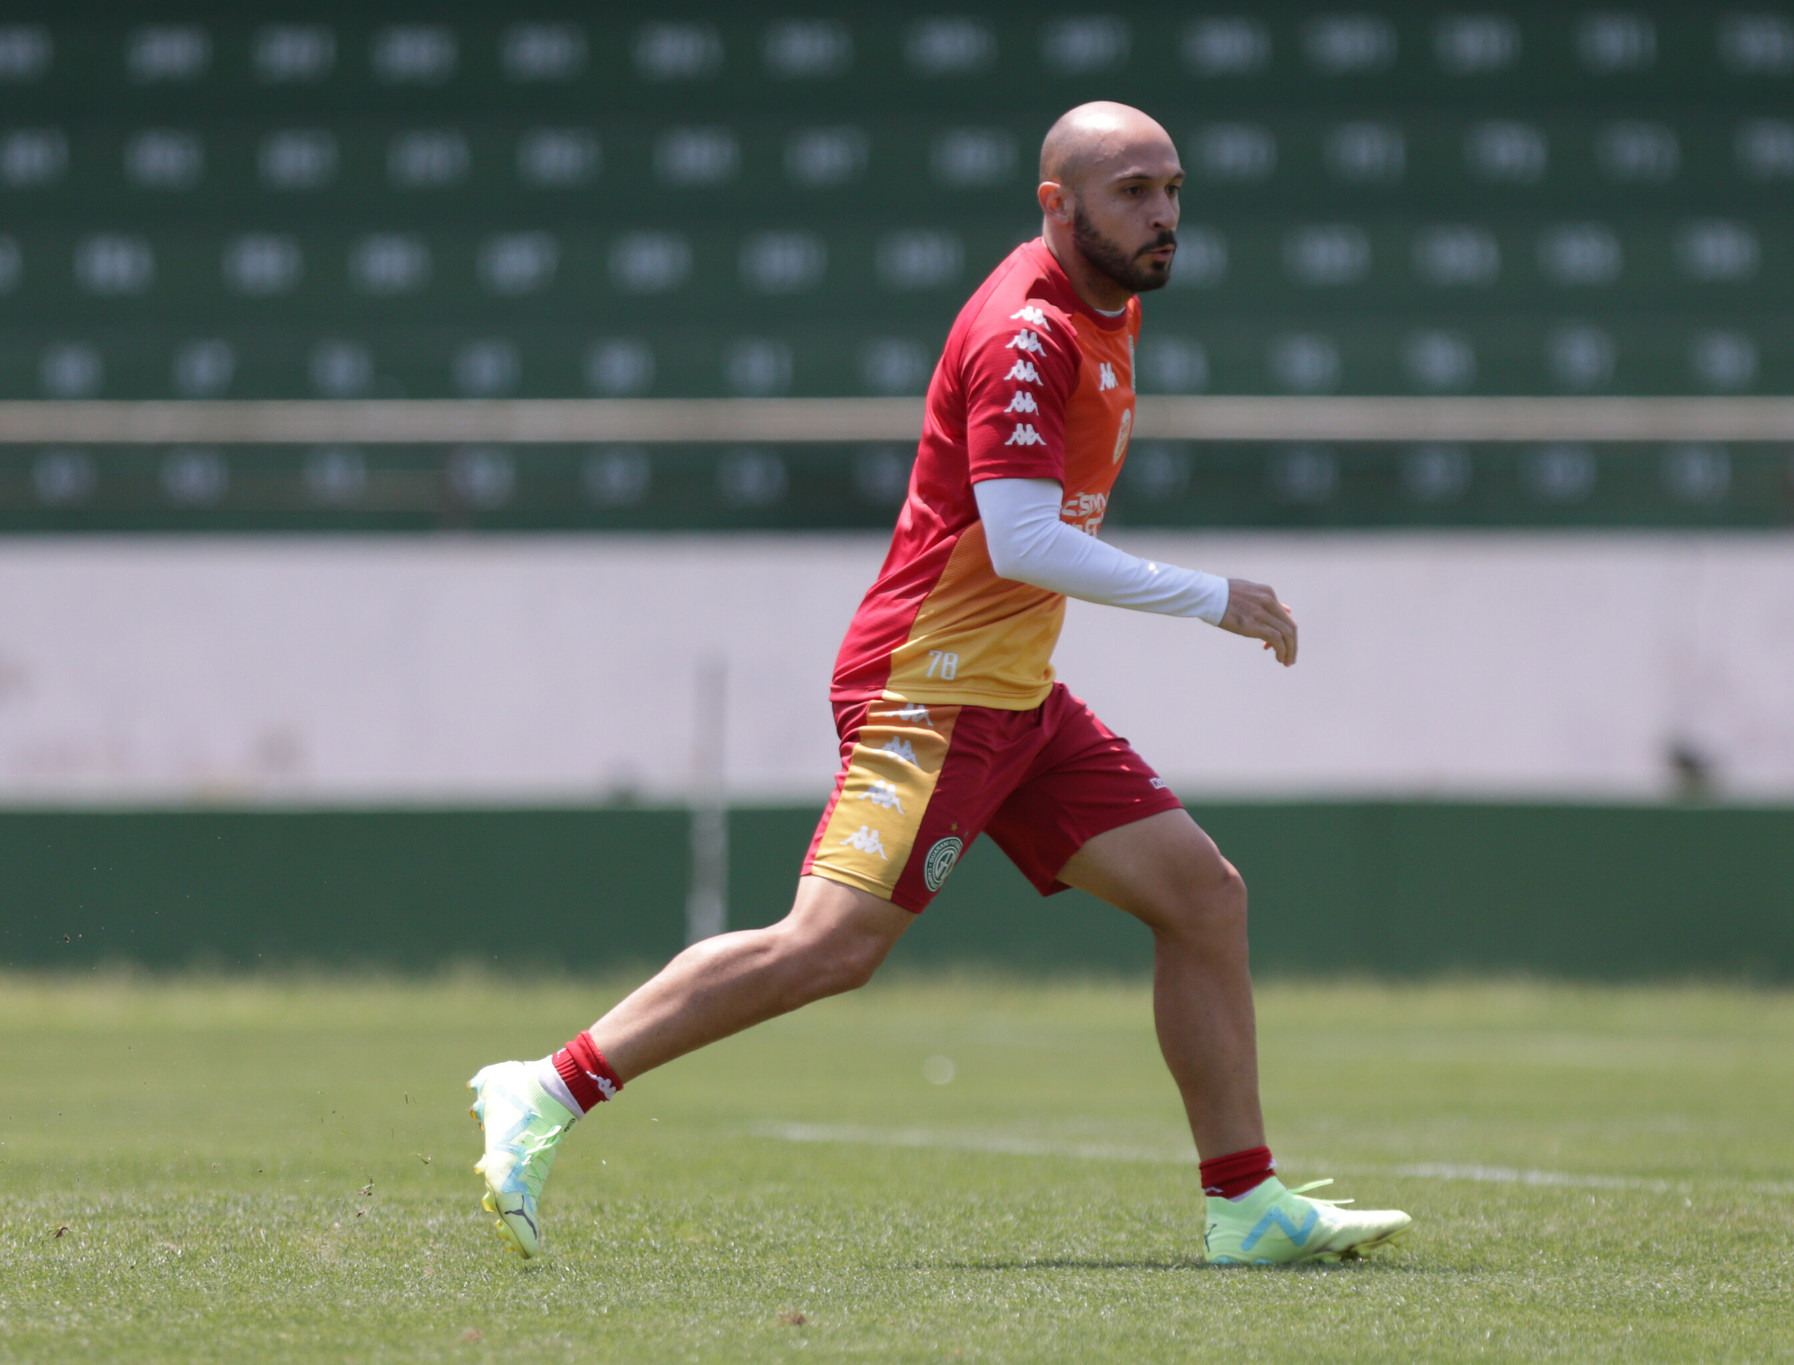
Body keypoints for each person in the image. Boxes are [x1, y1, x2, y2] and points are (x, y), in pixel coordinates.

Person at [467, 101, 1411, 1267]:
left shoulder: (1106, 308)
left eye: (1171, 189)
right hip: (932, 685)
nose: (1162, 215)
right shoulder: (1029, 331)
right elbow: (1020, 541)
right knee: (829, 947)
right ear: (1055, 205)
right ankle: (545, 1088)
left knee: (1202, 897)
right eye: (1131, 192)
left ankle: (1246, 1205)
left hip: (1012, 689)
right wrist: (1215, 598)